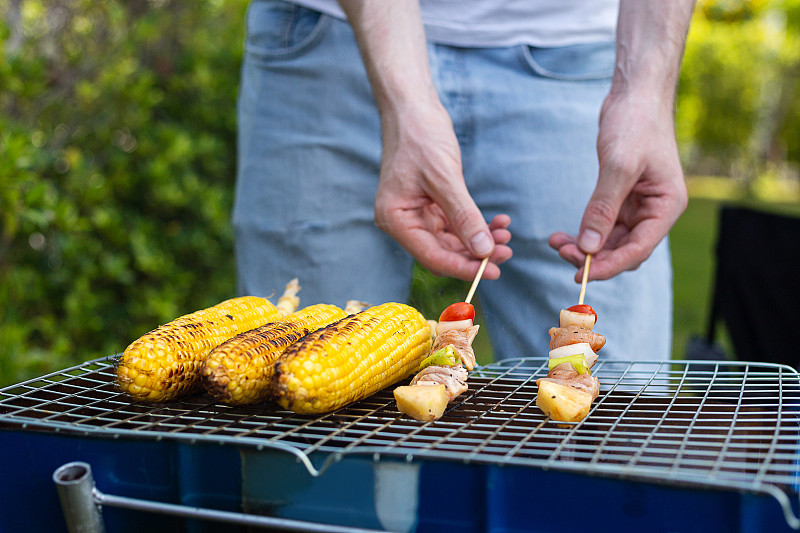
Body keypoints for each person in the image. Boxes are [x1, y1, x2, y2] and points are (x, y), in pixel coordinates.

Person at [232, 0, 695, 362]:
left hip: (581, 47)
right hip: (327, 35)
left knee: (616, 419)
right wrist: (404, 104)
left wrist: (646, 94)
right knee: (298, 380)